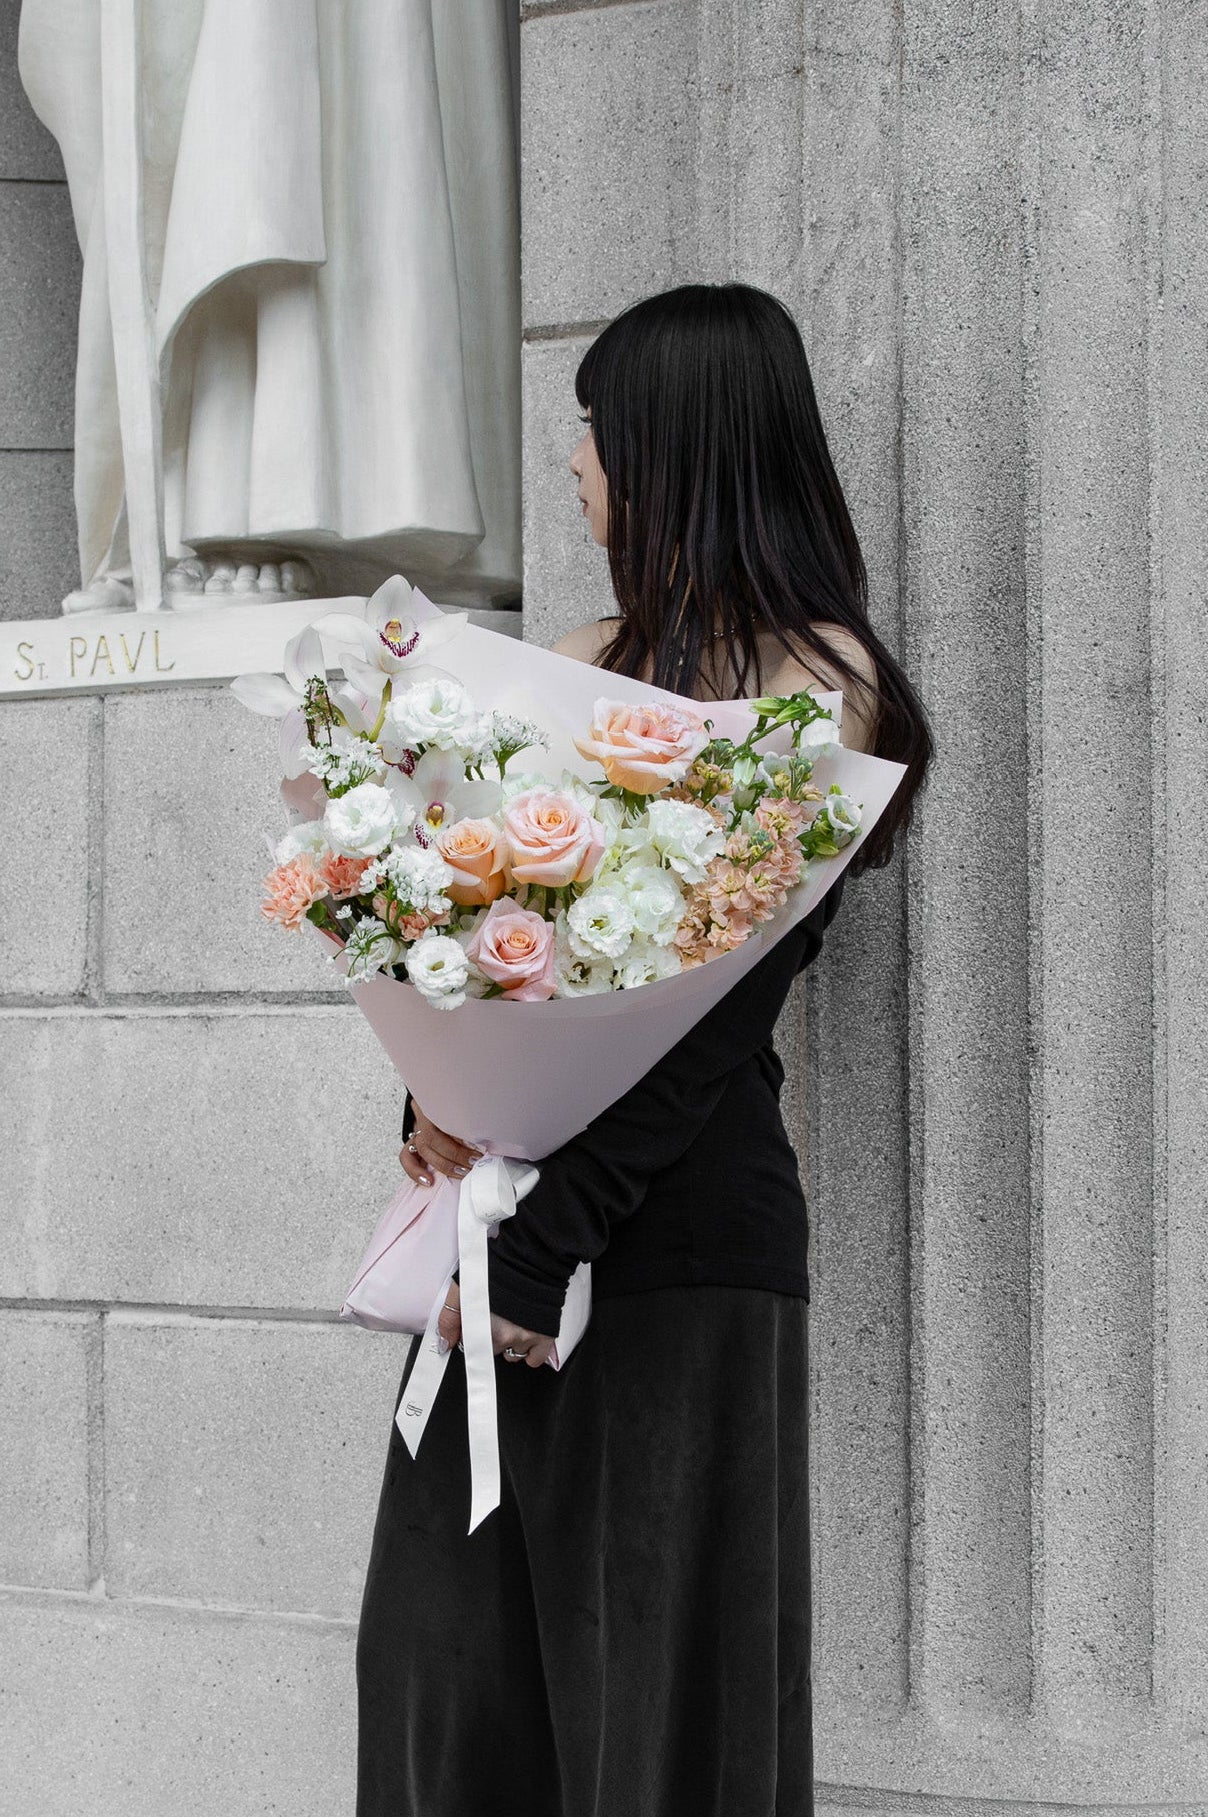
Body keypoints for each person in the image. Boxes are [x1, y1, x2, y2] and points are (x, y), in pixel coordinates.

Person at [355, 283, 933, 1816]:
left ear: (674, 446)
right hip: (505, 1231)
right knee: (449, 1691)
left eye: (596, 432)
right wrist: (432, 1093)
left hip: (667, 1245)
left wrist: (552, 1239)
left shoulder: (821, 685)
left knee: (662, 1710)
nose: (578, 466)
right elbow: (484, 937)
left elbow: (713, 1018)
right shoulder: (584, 652)